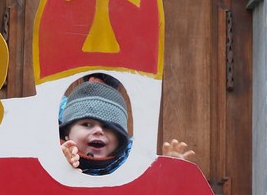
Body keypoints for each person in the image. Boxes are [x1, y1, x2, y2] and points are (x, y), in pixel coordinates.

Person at [59, 75, 195, 175]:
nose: (98, 131)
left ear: (120, 138)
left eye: (108, 127)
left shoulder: (135, 165)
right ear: (66, 133)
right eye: (87, 124)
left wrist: (167, 173)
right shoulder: (55, 157)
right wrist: (60, 164)